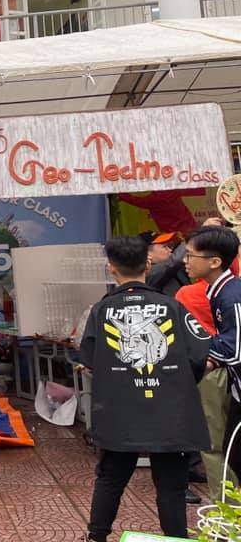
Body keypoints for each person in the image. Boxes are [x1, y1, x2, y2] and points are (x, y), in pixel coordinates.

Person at [80, 235, 209, 542]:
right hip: (170, 411)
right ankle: (176, 538)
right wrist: (176, 382)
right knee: (172, 486)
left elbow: (88, 359)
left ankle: (97, 537)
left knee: (110, 478)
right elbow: (199, 354)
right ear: (148, 264)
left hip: (119, 411)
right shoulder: (173, 307)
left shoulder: (101, 311)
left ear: (111, 268)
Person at [184, 226, 241, 482]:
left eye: (190, 255)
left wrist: (198, 353)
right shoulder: (219, 291)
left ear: (215, 262)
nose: (185, 261)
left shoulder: (231, 296)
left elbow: (234, 349)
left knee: (233, 454)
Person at [147, 232, 190, 297]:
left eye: (170, 246)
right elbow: (175, 261)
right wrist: (191, 239)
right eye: (164, 246)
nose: (170, 250)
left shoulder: (176, 268)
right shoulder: (147, 273)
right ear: (148, 253)